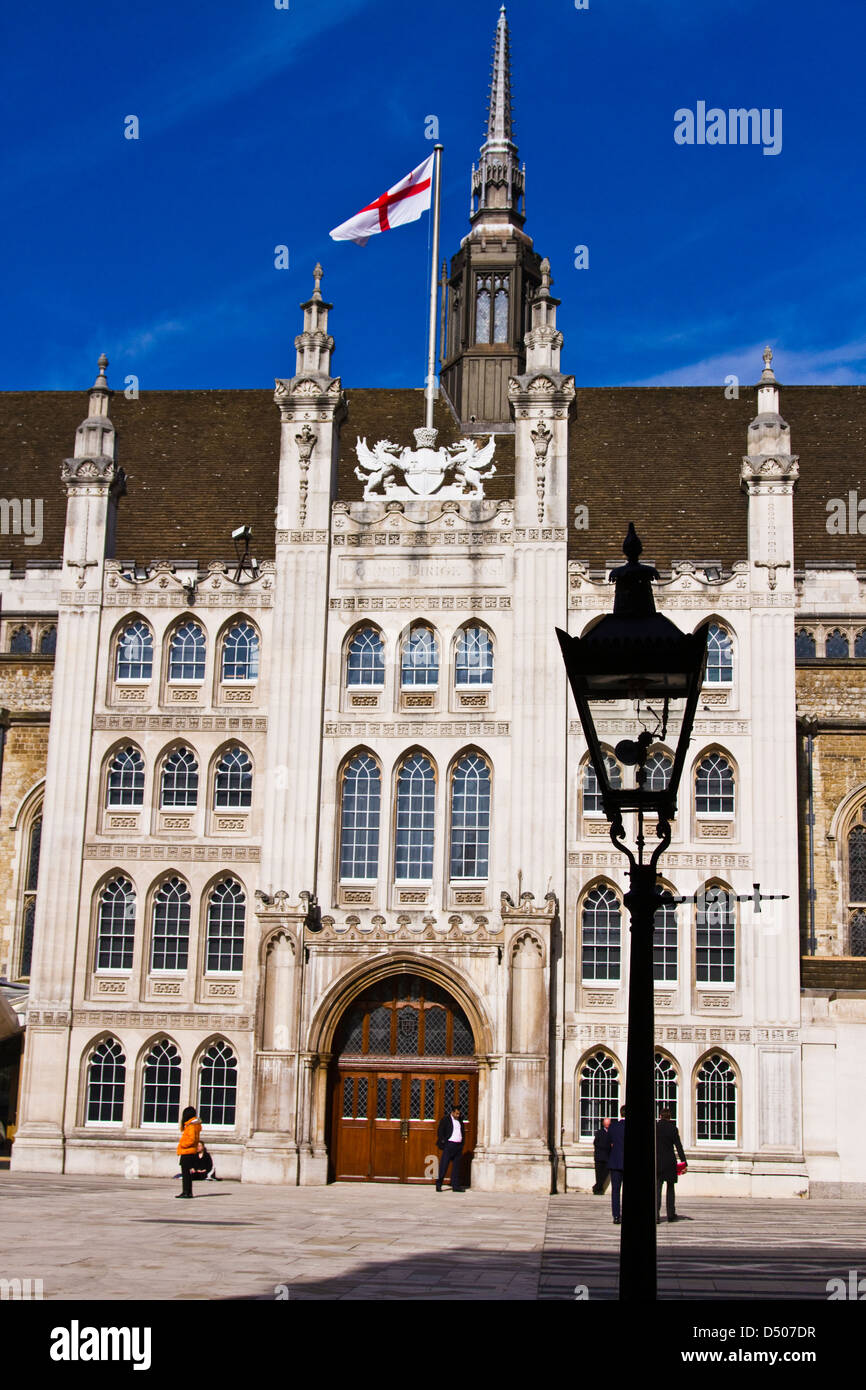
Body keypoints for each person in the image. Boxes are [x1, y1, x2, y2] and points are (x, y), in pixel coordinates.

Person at [656, 1107, 687, 1222]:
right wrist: (684, 1162)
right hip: (669, 1161)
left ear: (660, 1116)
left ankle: (656, 1215)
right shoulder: (673, 1128)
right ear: (670, 1118)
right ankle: (670, 1214)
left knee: (657, 1189)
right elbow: (678, 1146)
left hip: (657, 1161)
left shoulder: (656, 1127)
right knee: (670, 1188)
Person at [435, 1105, 467, 1192]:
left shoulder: (460, 1120)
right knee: (444, 1165)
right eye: (456, 1113)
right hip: (449, 1145)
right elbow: (440, 1131)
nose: (458, 1115)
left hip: (458, 1146)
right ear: (452, 1112)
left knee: (456, 1167)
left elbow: (462, 1131)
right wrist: (443, 1142)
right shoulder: (445, 1120)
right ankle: (439, 1184)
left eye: (459, 1113)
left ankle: (455, 1186)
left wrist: (462, 1143)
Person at [604, 1105, 626, 1224]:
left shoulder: (613, 1126)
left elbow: (607, 1144)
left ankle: (616, 1216)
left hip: (615, 1162)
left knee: (615, 1191)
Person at [176, 1106, 202, 1198]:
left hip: (187, 1152)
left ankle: (186, 1191)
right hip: (189, 1152)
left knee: (186, 1174)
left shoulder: (191, 1126)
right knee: (186, 1174)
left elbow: (191, 1139)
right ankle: (187, 1191)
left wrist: (183, 1144)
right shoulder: (192, 1125)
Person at [592, 1117, 612, 1194]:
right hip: (599, 1156)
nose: (607, 1125)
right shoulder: (599, 1132)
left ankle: (596, 1187)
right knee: (598, 1174)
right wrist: (606, 1146)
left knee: (605, 1174)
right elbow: (596, 1143)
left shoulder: (611, 1132)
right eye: (606, 1124)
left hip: (607, 1157)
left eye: (608, 1124)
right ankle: (599, 1190)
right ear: (604, 1124)